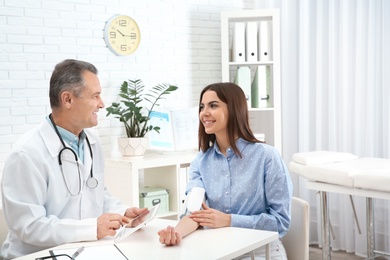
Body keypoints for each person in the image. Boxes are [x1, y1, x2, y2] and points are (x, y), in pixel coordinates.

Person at [1, 59, 148, 259]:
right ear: (68, 99)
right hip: (38, 256)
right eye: (95, 96)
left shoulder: (91, 142)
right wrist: (91, 228)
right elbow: (30, 226)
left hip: (81, 251)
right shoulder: (27, 154)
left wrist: (123, 213)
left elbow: (97, 194)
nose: (102, 104)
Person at [157, 82, 293, 259]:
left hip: (261, 251)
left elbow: (280, 222)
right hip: (219, 250)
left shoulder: (267, 157)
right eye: (202, 107)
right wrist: (176, 233)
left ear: (234, 110)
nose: (204, 112)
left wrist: (229, 220)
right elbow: (195, 213)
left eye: (213, 105)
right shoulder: (200, 162)